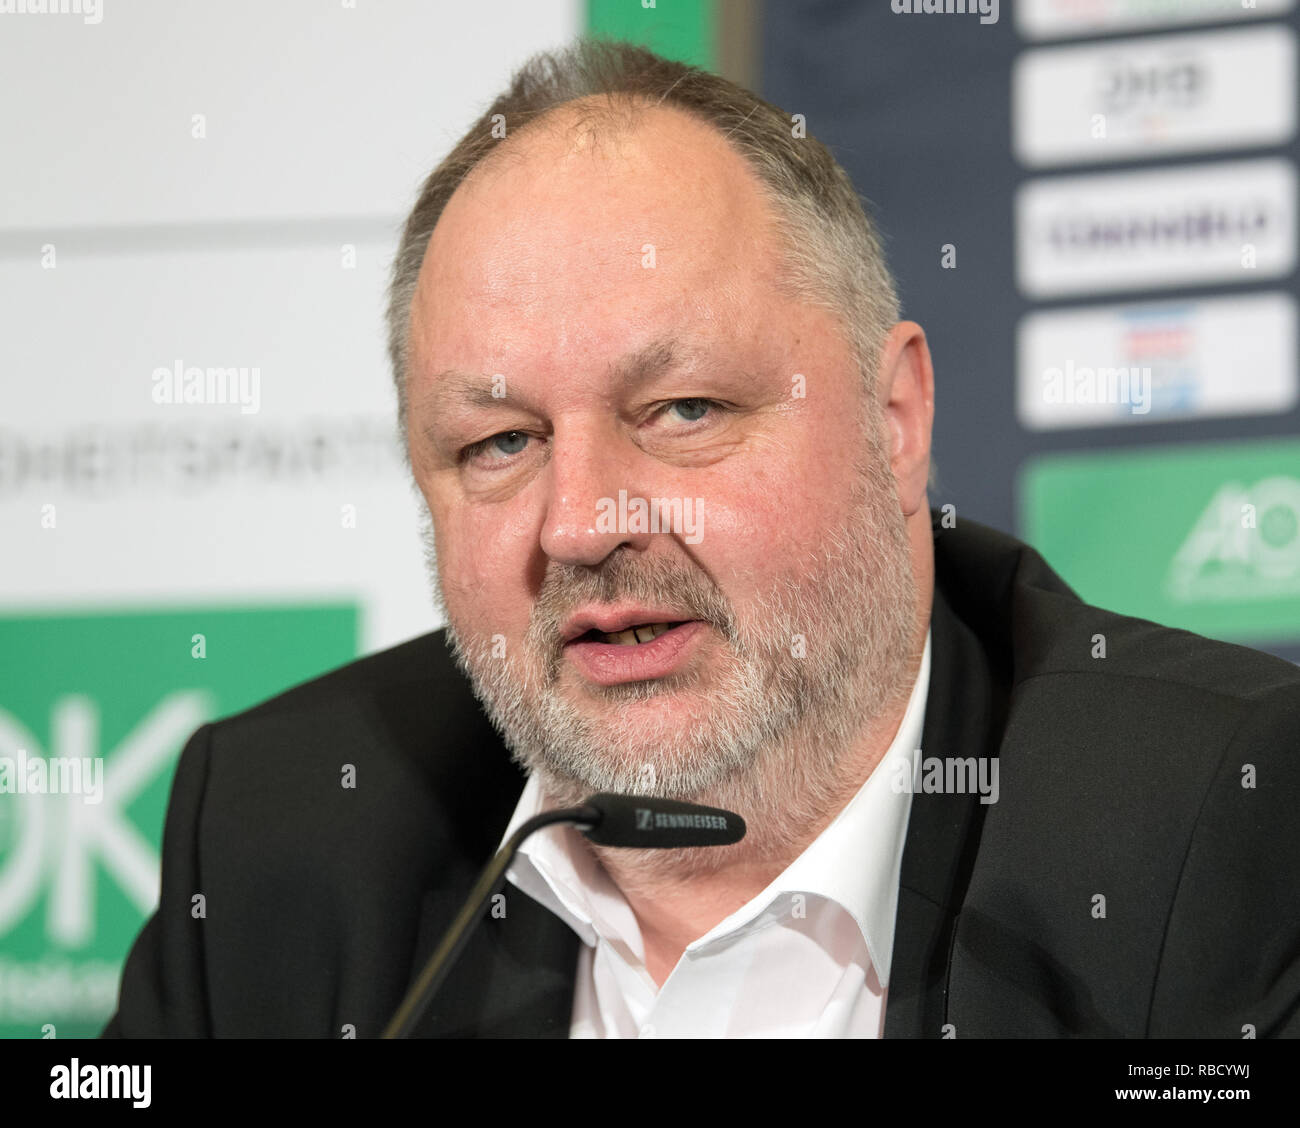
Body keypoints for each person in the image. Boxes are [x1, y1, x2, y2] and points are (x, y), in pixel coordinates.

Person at [102, 39, 1300, 1039]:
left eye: (682, 413)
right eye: (501, 443)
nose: (581, 525)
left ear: (894, 423)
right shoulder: (281, 839)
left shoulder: (1217, 823)